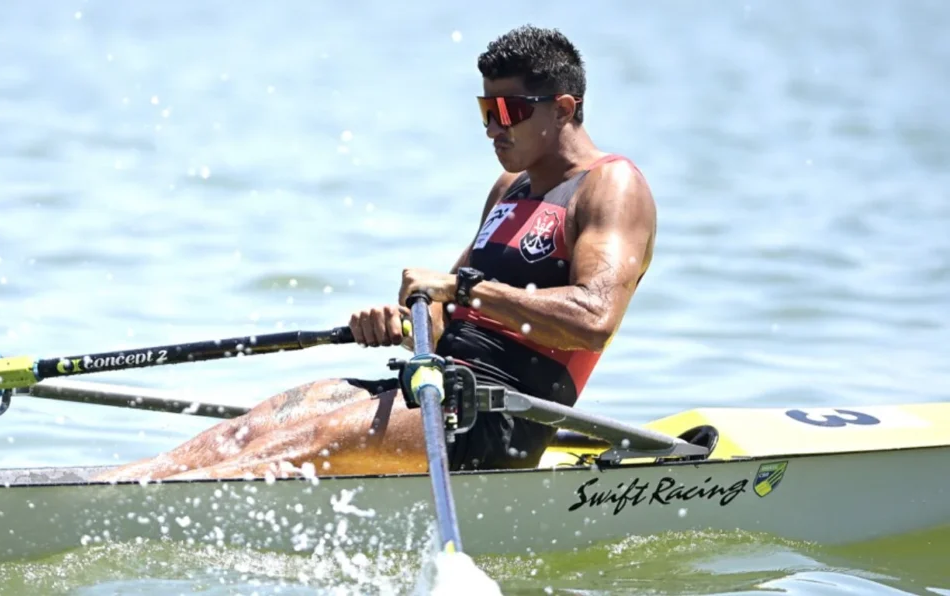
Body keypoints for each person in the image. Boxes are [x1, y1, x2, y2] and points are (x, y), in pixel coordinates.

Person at [94, 25, 656, 482]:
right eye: (484, 108)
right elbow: (442, 315)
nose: (491, 127)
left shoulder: (612, 187)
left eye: (507, 111)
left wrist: (462, 289)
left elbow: (593, 320)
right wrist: (404, 318)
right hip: (433, 384)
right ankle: (111, 488)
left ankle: (142, 511)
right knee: (246, 431)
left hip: (498, 416)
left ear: (561, 108)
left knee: (301, 444)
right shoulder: (509, 189)